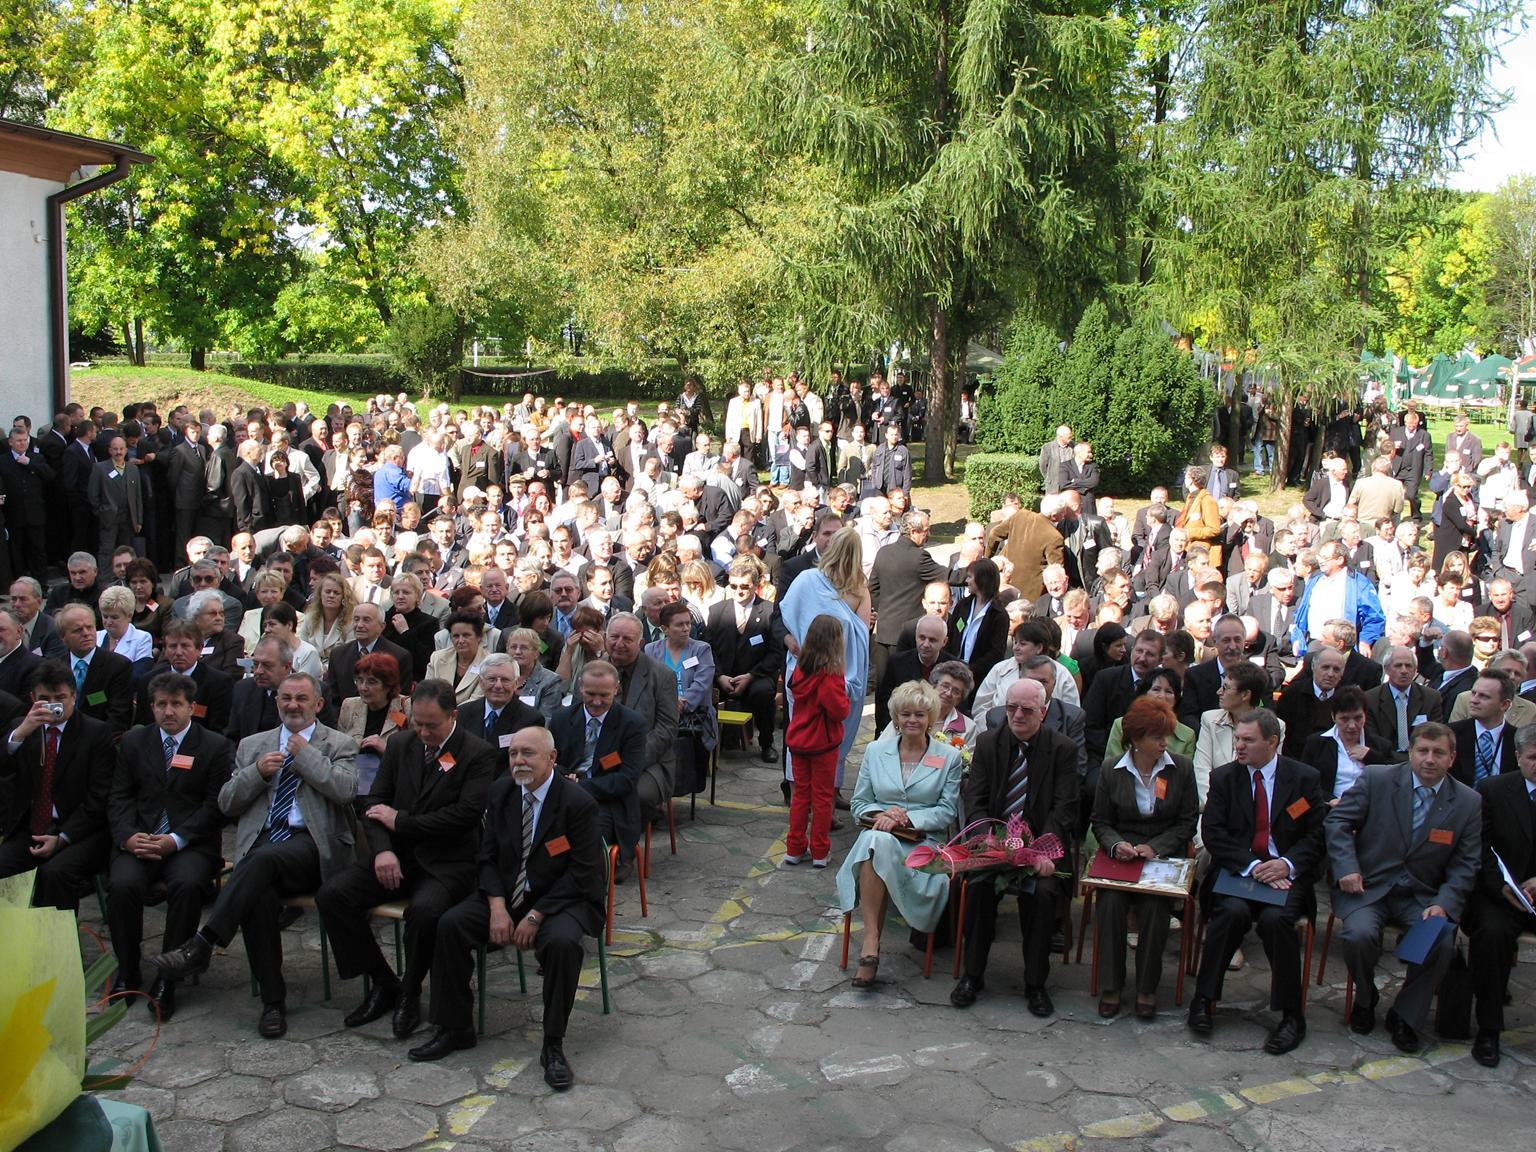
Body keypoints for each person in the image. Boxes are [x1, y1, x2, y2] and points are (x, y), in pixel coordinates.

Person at [149, 672, 359, 1038]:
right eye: (286, 698)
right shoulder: (253, 744)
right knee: (258, 896)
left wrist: (306, 756)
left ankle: (203, 943)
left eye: (301, 699)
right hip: (263, 845)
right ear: (276, 702)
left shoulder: (338, 742)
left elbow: (345, 791)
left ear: (319, 704)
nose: (292, 705)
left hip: (311, 847)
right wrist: (256, 773)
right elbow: (227, 803)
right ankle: (273, 1002)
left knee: (260, 862)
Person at [416, 725, 605, 1085]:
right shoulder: (501, 792)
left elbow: (583, 874)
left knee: (563, 944)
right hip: (506, 895)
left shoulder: (578, 803)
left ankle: (553, 1044)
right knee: (451, 924)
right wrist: (498, 906)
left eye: (528, 753)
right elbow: (486, 857)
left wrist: (536, 915)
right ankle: (455, 1027)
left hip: (559, 899)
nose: (519, 761)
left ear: (552, 758)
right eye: (514, 753)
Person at [318, 678, 497, 1041]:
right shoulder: (401, 745)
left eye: (432, 725)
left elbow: (462, 817)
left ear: (453, 716)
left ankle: (411, 991)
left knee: (425, 914)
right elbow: (375, 804)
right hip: (397, 854)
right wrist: (383, 849)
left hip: (446, 862)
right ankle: (384, 982)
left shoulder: (477, 753)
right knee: (333, 896)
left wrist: (401, 821)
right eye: (418, 724)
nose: (424, 732)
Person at [1325, 722, 1482, 1053]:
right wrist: (1347, 868)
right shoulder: (1377, 779)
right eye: (1422, 751)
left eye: (1438, 753)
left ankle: (1405, 1015)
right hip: (1370, 888)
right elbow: (1338, 821)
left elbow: (1466, 864)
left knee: (1440, 942)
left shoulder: (1468, 802)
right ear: (1410, 752)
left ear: (1452, 758)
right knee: (1357, 937)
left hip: (1422, 896)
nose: (1429, 759)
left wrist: (1444, 903)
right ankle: (1365, 999)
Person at [1186, 709, 1325, 1055]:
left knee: (1277, 922)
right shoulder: (1225, 778)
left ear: (1272, 742)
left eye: (1248, 740)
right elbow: (1213, 833)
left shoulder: (1303, 779)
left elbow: (1316, 836)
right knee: (1230, 914)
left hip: (1285, 877)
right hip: (1240, 873)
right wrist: (1252, 866)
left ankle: (1292, 1015)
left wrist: (1286, 864)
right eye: (1237, 738)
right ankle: (1203, 999)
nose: (1239, 746)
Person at [106, 672, 233, 1020]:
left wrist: (175, 840)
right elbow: (119, 796)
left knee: (188, 885)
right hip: (140, 839)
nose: (168, 711)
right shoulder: (135, 742)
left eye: (176, 704)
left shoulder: (214, 746)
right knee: (122, 885)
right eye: (161, 704)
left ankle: (168, 977)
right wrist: (128, 836)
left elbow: (215, 807)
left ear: (192, 707)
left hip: (190, 843)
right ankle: (128, 970)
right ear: (151, 707)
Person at [950, 678, 1077, 1016]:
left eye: (1027, 710)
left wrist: (1041, 850)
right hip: (994, 843)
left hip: (1040, 846)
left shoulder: (1062, 749)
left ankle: (1035, 984)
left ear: (1043, 712)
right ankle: (972, 976)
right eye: (1011, 708)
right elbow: (975, 800)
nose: (1018, 715)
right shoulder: (989, 743)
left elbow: (1064, 809)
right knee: (978, 887)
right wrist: (989, 840)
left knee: (1043, 894)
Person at [836, 680, 963, 987]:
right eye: (906, 714)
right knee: (876, 840)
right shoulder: (875, 751)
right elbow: (859, 803)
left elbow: (946, 811)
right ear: (896, 717)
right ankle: (871, 942)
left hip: (923, 844)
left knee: (874, 844)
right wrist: (882, 815)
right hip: (879, 835)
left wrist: (905, 818)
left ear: (930, 718)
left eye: (920, 714)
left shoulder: (949, 757)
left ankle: (870, 946)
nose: (912, 720)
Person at [1091, 696, 1200, 1019]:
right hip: (1122, 856)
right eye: (1157, 737)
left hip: (1160, 857)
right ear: (1136, 739)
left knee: (1155, 908)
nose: (1165, 744)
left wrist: (1157, 847)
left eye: (1166, 736)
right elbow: (1101, 821)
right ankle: (1111, 984)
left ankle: (1147, 988)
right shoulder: (1112, 770)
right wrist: (1116, 845)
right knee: (1110, 904)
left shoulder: (1181, 768)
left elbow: (1187, 821)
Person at [0, 659, 115, 909]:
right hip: (31, 828)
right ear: (33, 698)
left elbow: (98, 798)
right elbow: (4, 769)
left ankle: (57, 933)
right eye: (45, 698)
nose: (54, 705)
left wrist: (63, 837)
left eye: (60, 697)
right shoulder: (23, 728)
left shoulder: (96, 733)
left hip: (79, 830)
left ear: (74, 696)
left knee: (55, 873)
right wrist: (20, 734)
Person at [778, 527, 872, 801]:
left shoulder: (814, 580)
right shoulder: (852, 589)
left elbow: (788, 615)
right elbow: (862, 635)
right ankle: (821, 803)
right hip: (833, 676)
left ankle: (803, 799)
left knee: (802, 730)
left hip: (811, 673)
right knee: (830, 735)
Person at [1463, 725, 1536, 1067]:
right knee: (1491, 936)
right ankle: (1489, 1029)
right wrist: (1503, 886)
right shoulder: (1492, 790)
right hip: (1501, 893)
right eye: (1533, 757)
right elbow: (1479, 847)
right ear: (1518, 757)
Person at [550, 661, 648, 879]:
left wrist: (581, 786)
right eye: (590, 694)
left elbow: (628, 779)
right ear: (580, 687)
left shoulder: (632, 724)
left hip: (609, 800)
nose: (596, 701)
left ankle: (581, 877)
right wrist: (564, 776)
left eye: (604, 695)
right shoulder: (561, 718)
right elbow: (553, 761)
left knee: (586, 831)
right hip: (565, 792)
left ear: (616, 689)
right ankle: (554, 870)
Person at [785, 615, 851, 869]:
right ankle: (820, 851)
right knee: (822, 799)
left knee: (801, 796)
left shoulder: (800, 670)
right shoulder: (830, 675)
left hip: (798, 740)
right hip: (823, 744)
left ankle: (794, 847)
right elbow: (839, 711)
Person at [705, 558, 781, 761]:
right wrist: (719, 675)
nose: (738, 591)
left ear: (756, 585)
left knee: (763, 692)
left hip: (756, 675)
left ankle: (767, 743)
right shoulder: (716, 611)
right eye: (733, 586)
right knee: (702, 689)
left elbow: (776, 652)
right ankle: (706, 742)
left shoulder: (770, 611)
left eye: (744, 586)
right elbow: (708, 648)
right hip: (723, 675)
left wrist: (751, 676)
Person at [1297, 685, 1393, 803]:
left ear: (1365, 715)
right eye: (1344, 719)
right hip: (1330, 809)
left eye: (1358, 718)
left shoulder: (1381, 745)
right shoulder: (1316, 743)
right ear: (1333, 717)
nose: (1352, 726)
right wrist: (1330, 800)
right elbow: (1305, 783)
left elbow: (1393, 778)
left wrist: (1371, 756)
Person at [1101, 667, 1196, 765]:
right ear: (1144, 693)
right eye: (1156, 689)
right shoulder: (1121, 725)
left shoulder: (1187, 735)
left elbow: (1184, 771)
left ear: (1176, 699)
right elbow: (1112, 766)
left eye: (1168, 691)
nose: (1162, 696)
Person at [426, 611, 491, 705]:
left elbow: (476, 700)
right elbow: (427, 693)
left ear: (479, 637)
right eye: (456, 636)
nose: (460, 641)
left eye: (466, 635)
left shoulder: (489, 663)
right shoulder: (437, 658)